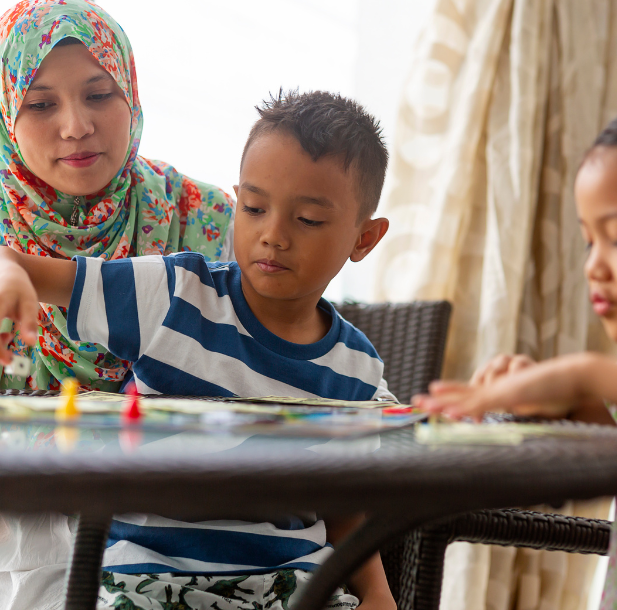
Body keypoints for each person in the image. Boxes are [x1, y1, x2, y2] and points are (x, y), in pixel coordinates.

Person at [0, 90, 396, 609]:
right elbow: (29, 267)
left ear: (363, 238)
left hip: (290, 587)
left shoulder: (357, 370)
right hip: (149, 584)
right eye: (254, 208)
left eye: (308, 221)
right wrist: (10, 272)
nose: (272, 235)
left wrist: (378, 593)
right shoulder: (174, 294)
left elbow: (345, 500)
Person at [0, 0, 235, 609]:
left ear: (130, 92)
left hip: (186, 518)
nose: (76, 125)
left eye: (99, 94)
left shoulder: (209, 221)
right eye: (41, 103)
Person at [414, 94, 617, 609]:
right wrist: (537, 391)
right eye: (588, 241)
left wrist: (584, 373)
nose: (593, 267)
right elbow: (592, 416)